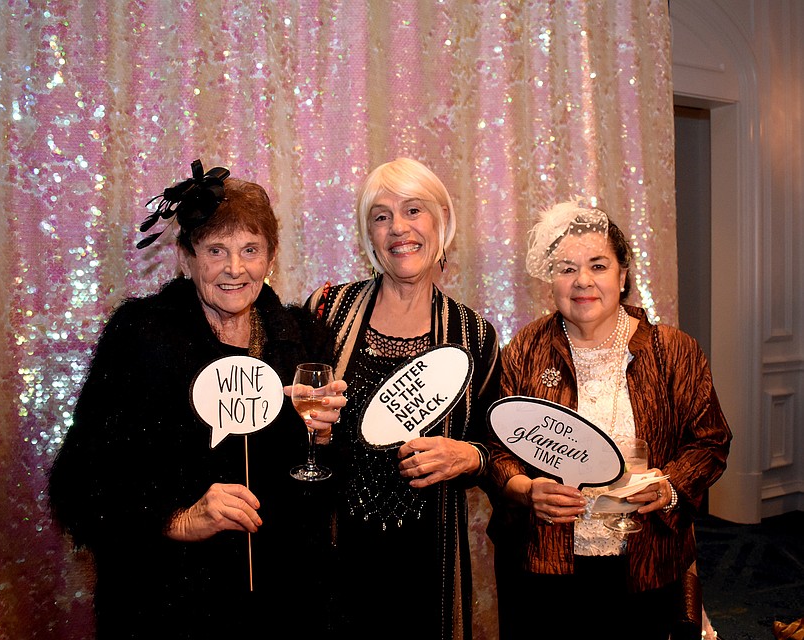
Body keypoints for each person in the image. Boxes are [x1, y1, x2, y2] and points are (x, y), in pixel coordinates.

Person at [48, 160, 346, 639]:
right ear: (186, 257)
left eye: (250, 249)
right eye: (216, 250)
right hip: (170, 605)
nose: (235, 268)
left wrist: (323, 440)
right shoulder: (140, 338)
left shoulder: (303, 340)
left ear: (271, 258)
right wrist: (177, 519)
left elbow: (324, 495)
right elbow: (80, 484)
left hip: (287, 605)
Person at [485, 198, 732, 640]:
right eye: (566, 268)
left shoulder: (673, 350)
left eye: (598, 265)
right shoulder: (525, 349)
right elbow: (498, 447)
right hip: (546, 558)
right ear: (550, 281)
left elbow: (711, 441)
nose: (582, 281)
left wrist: (672, 484)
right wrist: (525, 491)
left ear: (622, 275)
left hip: (646, 556)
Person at [304, 157, 501, 639]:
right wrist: (310, 428)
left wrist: (468, 455)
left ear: (442, 223)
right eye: (381, 216)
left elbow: (498, 453)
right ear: (369, 235)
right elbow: (291, 427)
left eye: (414, 210)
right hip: (334, 549)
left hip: (427, 559)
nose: (399, 228)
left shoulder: (475, 335)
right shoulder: (327, 311)